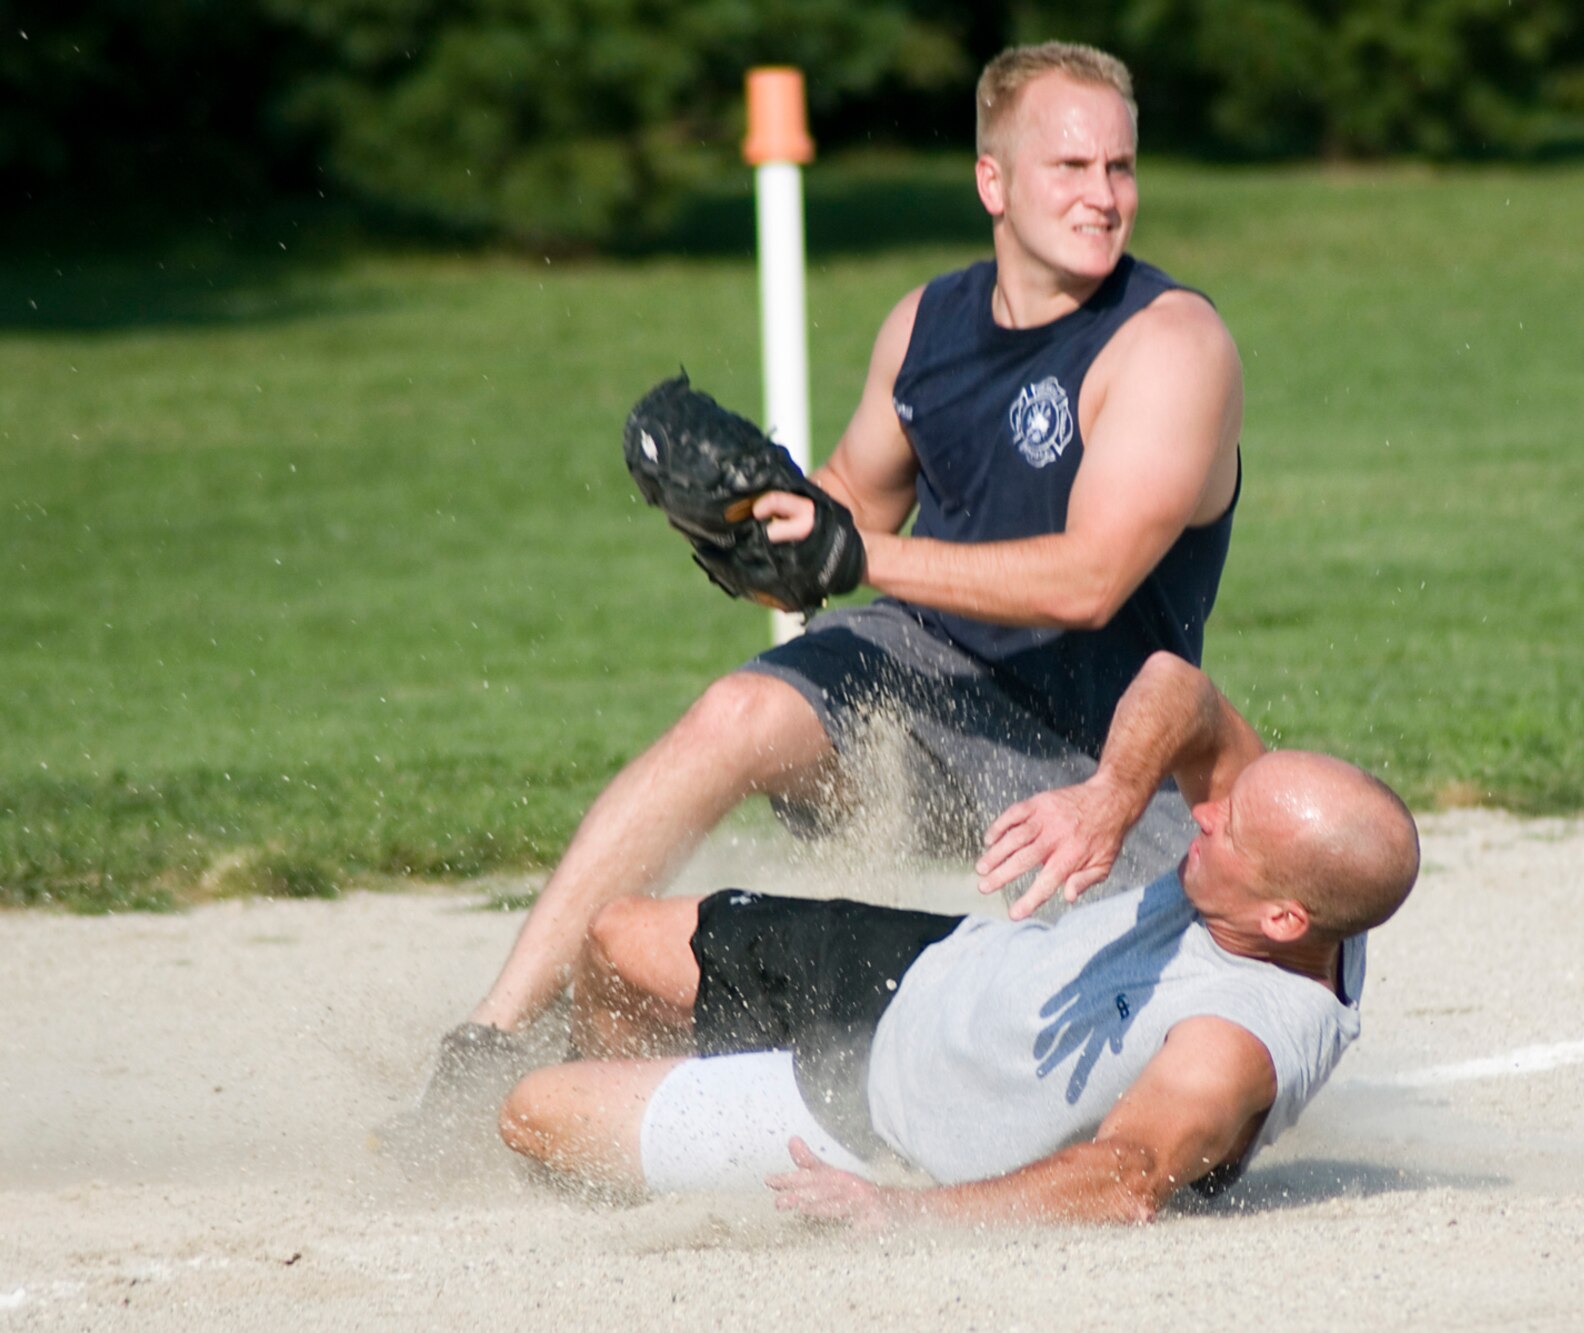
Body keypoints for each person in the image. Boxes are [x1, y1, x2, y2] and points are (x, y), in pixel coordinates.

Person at [425, 40, 1246, 1100]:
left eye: (1119, 168)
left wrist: (856, 552)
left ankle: (878, 1073)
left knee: (1130, 1060)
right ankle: (493, 1038)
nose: (1103, 196)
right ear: (992, 181)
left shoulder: (1168, 343)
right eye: (1070, 168)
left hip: (1102, 759)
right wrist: (752, 532)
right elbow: (846, 501)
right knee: (735, 712)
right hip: (926, 687)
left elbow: (1088, 579)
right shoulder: (924, 327)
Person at [497, 654, 1420, 1223]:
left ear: (1284, 920)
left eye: (1226, 830)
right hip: (933, 964)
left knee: (531, 1109)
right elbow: (1184, 692)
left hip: (870, 1120)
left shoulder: (1236, 1040)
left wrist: (901, 1213)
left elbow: (1122, 1180)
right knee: (615, 934)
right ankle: (635, 1119)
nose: (1205, 811)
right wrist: (1113, 793)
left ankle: (613, 1168)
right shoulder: (1291, 869)